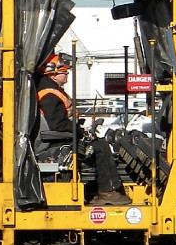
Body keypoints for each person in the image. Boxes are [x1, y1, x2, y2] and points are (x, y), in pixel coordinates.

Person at [35, 53, 131, 206]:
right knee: (100, 147)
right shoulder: (49, 95)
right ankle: (107, 191)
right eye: (64, 72)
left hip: (62, 137)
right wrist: (80, 131)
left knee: (98, 144)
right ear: (52, 75)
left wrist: (80, 126)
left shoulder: (53, 91)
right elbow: (57, 124)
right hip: (54, 143)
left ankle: (95, 190)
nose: (67, 74)